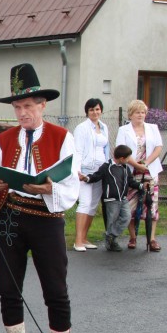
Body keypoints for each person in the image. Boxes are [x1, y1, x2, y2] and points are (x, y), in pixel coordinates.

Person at [0, 63, 79, 333]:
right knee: (8, 288)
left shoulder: (62, 137)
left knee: (55, 288)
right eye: (17, 107)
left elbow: (72, 187)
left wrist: (50, 188)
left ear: (42, 105)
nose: (22, 112)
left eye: (28, 106)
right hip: (11, 216)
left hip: (46, 219)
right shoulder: (4, 139)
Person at [116, 99, 164, 252]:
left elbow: (158, 147)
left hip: (150, 171)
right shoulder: (124, 130)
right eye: (137, 112)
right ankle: (132, 237)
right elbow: (120, 150)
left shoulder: (152, 128)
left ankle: (152, 239)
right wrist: (137, 165)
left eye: (143, 112)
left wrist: (146, 163)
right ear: (130, 114)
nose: (141, 115)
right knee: (131, 205)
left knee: (152, 204)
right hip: (131, 171)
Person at [81, 144, 146, 251]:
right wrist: (87, 178)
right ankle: (112, 243)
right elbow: (96, 176)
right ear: (122, 158)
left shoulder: (125, 168)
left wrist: (140, 186)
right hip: (111, 199)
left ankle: (110, 236)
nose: (129, 160)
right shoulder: (107, 167)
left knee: (126, 217)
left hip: (123, 199)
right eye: (128, 158)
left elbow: (130, 181)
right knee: (111, 221)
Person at [71, 98, 110, 251]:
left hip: (99, 172)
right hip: (85, 171)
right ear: (87, 112)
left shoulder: (104, 127)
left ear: (101, 111)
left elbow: (106, 148)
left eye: (97, 109)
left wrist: (107, 167)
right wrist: (77, 170)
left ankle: (85, 238)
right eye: (92, 110)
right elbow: (78, 150)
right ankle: (78, 240)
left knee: (93, 205)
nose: (95, 112)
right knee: (85, 203)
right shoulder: (82, 128)